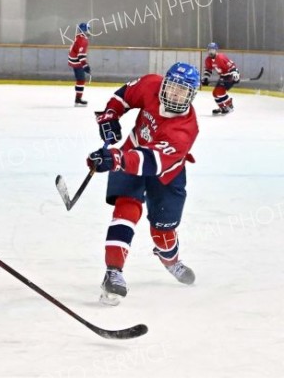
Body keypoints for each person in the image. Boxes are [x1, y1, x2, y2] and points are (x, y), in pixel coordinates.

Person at [87, 62, 199, 306]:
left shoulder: (185, 129)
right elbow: (123, 97)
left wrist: (115, 158)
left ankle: (171, 260)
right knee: (126, 210)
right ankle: (113, 273)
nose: (176, 94)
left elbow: (151, 162)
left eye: (184, 91)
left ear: (192, 96)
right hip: (131, 154)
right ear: (165, 84)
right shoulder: (151, 84)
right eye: (173, 87)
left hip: (166, 174)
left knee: (163, 231)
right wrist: (110, 116)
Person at [201, 42, 239, 115]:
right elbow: (208, 70)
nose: (210, 52)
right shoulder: (208, 59)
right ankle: (223, 108)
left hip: (230, 75)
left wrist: (235, 74)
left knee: (219, 92)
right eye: (209, 50)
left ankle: (229, 105)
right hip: (223, 76)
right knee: (215, 93)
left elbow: (232, 66)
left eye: (212, 50)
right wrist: (205, 78)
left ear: (216, 50)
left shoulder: (221, 57)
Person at [68, 22, 91, 107]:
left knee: (80, 80)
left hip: (74, 61)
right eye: (88, 29)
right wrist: (85, 65)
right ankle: (78, 99)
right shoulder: (82, 40)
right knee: (81, 80)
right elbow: (80, 54)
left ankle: (78, 98)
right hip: (77, 62)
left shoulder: (79, 37)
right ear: (85, 30)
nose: (89, 31)